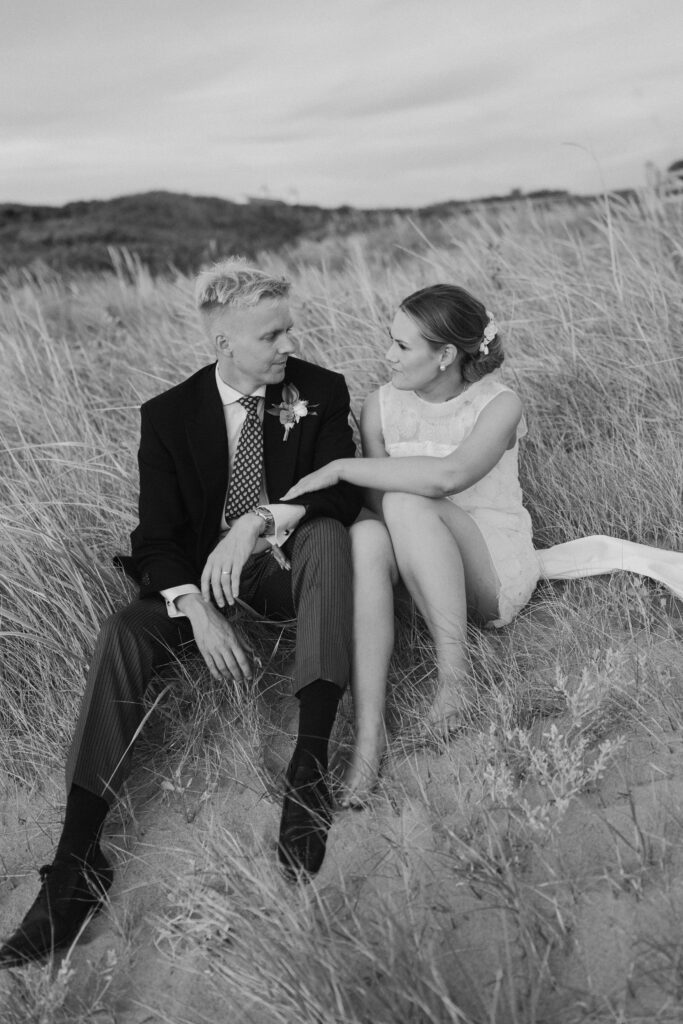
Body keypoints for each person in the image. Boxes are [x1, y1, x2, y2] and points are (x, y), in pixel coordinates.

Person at [0, 258, 362, 968]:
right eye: (269, 335)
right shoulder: (167, 417)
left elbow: (342, 495)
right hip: (201, 584)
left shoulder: (318, 391)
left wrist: (254, 522)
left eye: (289, 328)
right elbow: (156, 539)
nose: (287, 344)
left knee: (327, 534)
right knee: (126, 630)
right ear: (222, 341)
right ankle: (75, 865)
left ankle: (308, 769)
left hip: (283, 569)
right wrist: (193, 605)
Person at [282, 283, 537, 803]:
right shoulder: (379, 406)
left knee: (404, 501)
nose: (387, 357)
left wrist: (339, 467)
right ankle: (368, 737)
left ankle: (455, 683)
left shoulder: (499, 404)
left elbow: (450, 477)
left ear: (445, 355)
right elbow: (375, 504)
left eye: (402, 347)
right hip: (418, 570)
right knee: (368, 531)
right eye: (389, 341)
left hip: (489, 562)